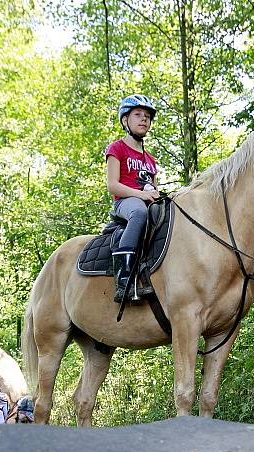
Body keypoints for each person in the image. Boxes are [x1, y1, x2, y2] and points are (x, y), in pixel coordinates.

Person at [105, 94, 159, 302]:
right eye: (137, 114)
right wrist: (142, 195)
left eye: (147, 116)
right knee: (139, 211)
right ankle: (124, 279)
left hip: (146, 200)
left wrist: (155, 196)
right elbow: (113, 185)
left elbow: (153, 186)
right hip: (125, 202)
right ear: (125, 119)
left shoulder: (151, 160)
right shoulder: (116, 148)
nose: (143, 119)